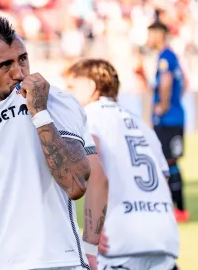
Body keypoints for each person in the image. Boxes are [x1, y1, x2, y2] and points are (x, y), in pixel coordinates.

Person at [0, 12, 100, 270]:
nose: (19, 72)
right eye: (5, 65)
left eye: (23, 59)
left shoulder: (56, 102)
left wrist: (39, 113)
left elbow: (75, 184)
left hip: (57, 263)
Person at [64, 58, 180, 270]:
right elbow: (163, 179)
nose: (67, 92)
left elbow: (96, 173)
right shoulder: (141, 124)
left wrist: (89, 243)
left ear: (90, 87)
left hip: (121, 241)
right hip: (163, 236)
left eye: (71, 86)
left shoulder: (88, 116)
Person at [146, 20, 189, 223]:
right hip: (174, 117)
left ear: (159, 34)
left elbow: (166, 83)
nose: (148, 39)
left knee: (168, 161)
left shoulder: (165, 57)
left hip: (168, 119)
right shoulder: (171, 56)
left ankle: (177, 209)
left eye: (151, 34)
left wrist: (163, 106)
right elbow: (185, 83)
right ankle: (176, 209)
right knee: (169, 161)